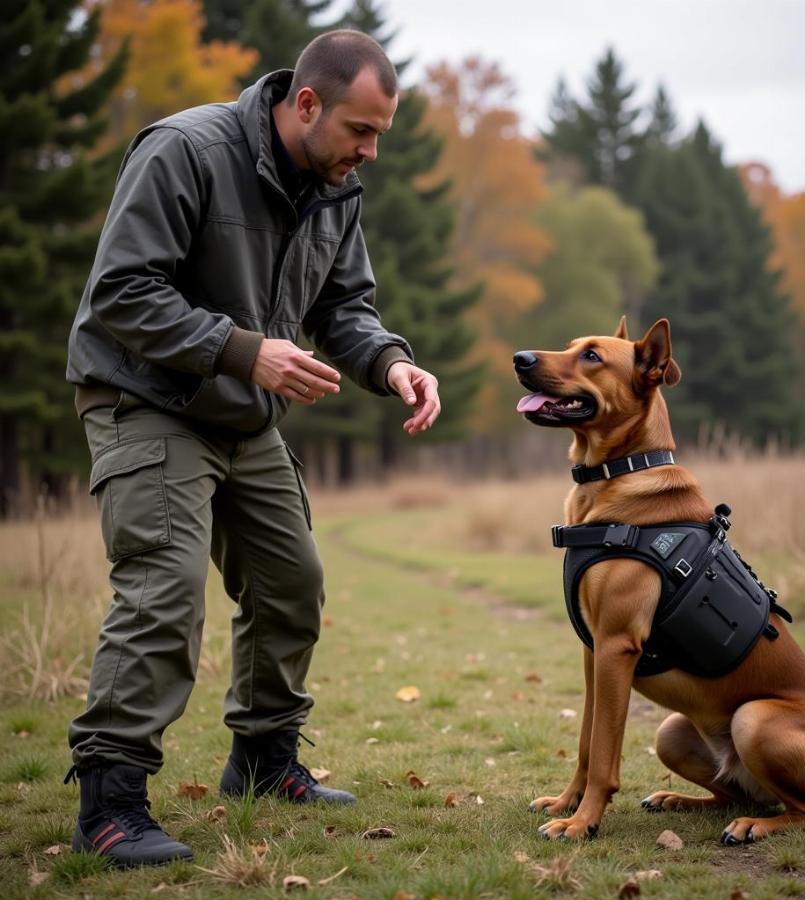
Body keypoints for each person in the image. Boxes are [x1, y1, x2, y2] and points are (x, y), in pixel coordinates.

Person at [65, 29, 440, 868]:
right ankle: (111, 798)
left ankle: (266, 762)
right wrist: (245, 349)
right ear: (305, 103)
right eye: (360, 131)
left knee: (292, 582)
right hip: (146, 399)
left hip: (243, 415)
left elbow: (346, 306)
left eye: (381, 133)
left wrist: (393, 364)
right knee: (164, 588)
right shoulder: (184, 150)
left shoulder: (335, 187)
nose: (370, 152)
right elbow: (119, 294)